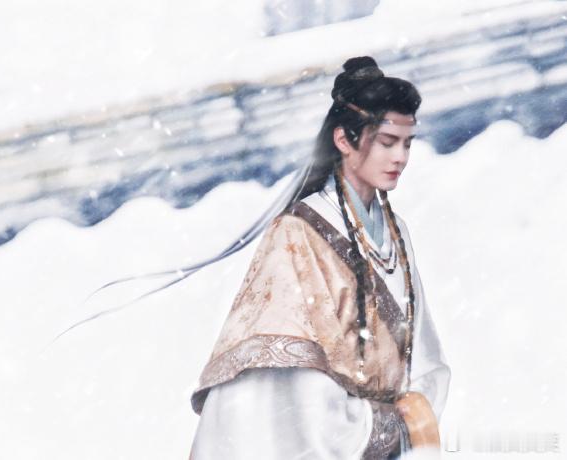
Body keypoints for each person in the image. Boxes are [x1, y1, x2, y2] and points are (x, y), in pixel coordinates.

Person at [187, 56, 452, 459]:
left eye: (407, 143)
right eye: (386, 142)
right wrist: (379, 425)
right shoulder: (295, 235)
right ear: (344, 140)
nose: (400, 157)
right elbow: (292, 397)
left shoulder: (396, 232)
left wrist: (413, 414)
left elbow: (425, 359)